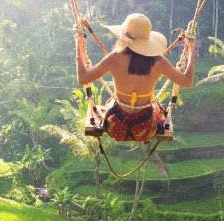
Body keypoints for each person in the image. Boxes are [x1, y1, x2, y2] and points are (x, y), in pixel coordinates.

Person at [76, 12, 196, 142]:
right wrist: (191, 50)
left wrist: (79, 46)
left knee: (111, 102)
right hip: (145, 129)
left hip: (116, 127)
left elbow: (83, 78)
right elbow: (187, 81)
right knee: (156, 107)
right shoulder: (159, 62)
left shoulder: (114, 58)